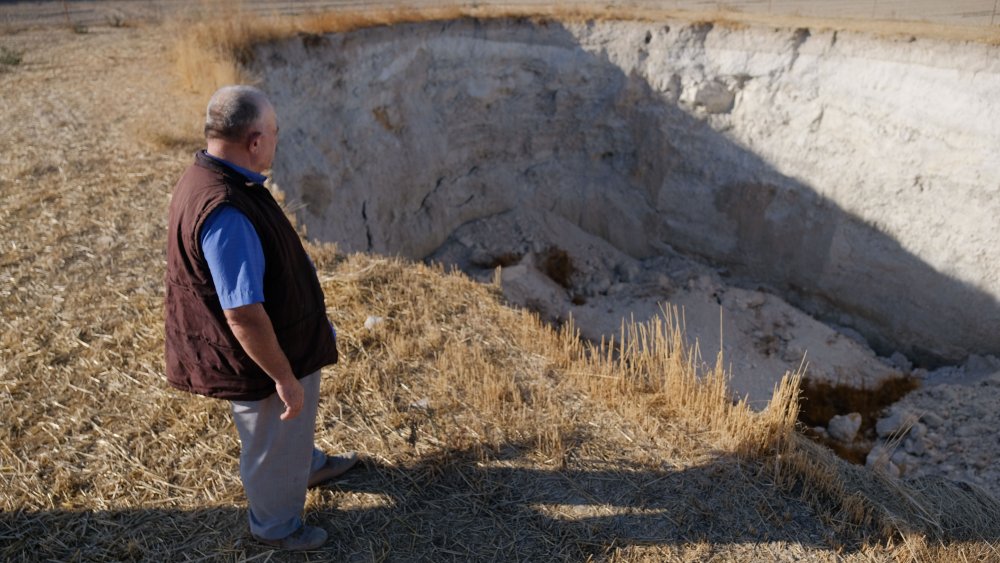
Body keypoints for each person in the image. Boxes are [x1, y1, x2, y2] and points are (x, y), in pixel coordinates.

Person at [164, 85, 357, 551]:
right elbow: (244, 314)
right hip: (260, 359)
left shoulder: (215, 177)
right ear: (254, 140)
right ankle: (276, 527)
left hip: (284, 338)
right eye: (273, 132)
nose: (276, 140)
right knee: (270, 435)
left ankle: (303, 465)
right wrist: (283, 377)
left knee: (286, 429)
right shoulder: (226, 209)